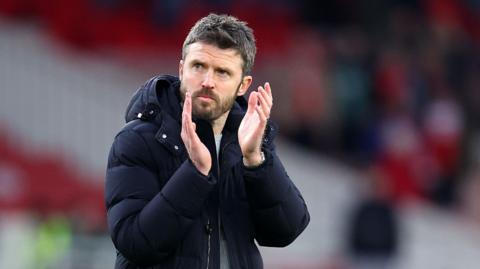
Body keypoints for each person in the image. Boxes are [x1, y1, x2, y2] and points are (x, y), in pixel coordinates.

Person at [104, 13, 310, 269]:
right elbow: (134, 242)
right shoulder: (138, 139)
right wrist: (195, 174)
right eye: (198, 66)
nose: (207, 82)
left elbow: (286, 230)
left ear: (243, 85)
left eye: (222, 72)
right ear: (181, 69)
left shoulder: (248, 141)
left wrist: (256, 161)